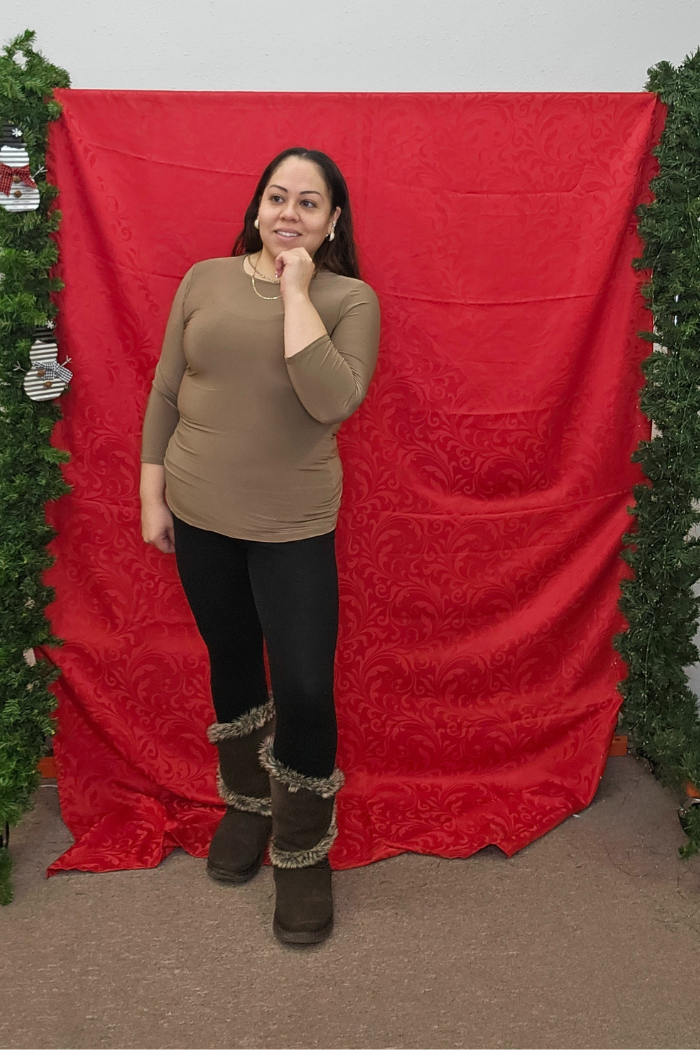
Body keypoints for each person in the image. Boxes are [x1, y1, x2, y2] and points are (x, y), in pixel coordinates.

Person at [139, 146, 381, 946]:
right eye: (278, 197)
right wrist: (151, 493)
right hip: (198, 505)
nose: (289, 213)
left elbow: (328, 398)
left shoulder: (349, 300)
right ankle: (246, 805)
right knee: (232, 660)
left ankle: (303, 848)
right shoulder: (203, 280)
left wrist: (296, 289)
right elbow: (168, 387)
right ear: (255, 207)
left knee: (307, 687)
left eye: (309, 203)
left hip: (293, 525)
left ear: (332, 221)